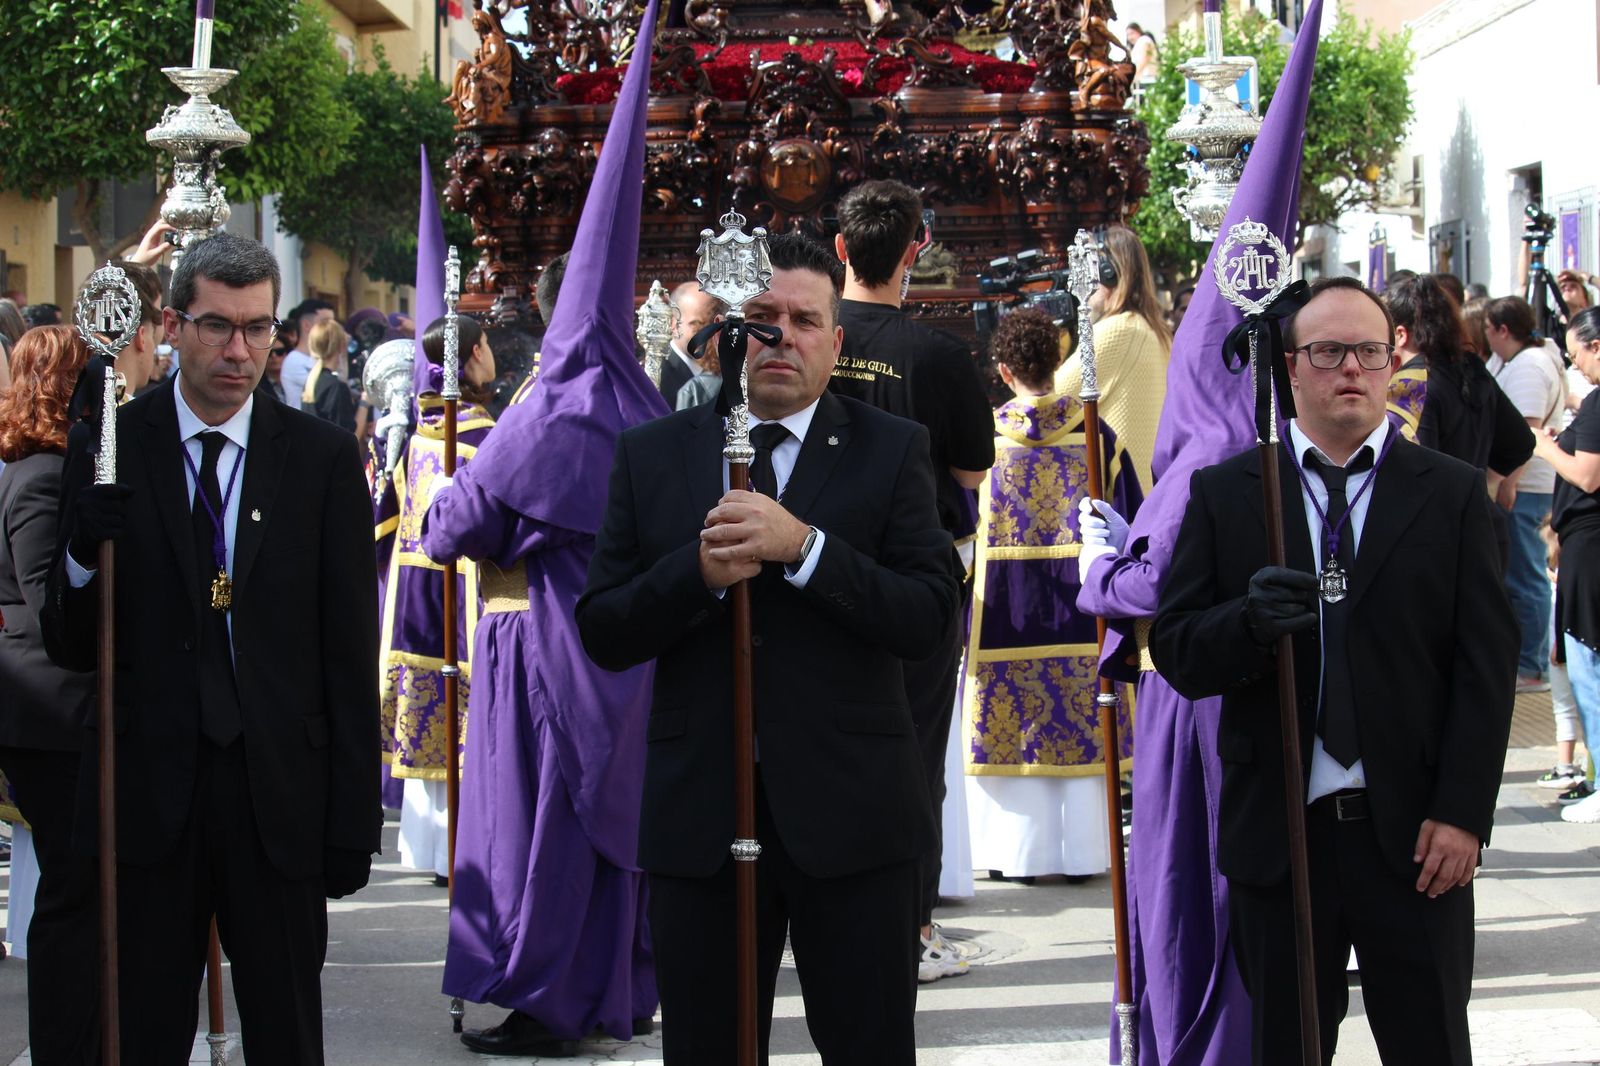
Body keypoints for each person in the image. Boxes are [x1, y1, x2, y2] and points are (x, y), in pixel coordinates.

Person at [577, 232, 960, 1065]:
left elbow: (929, 617)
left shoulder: (891, 450)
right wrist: (698, 575)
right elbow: (604, 628)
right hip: (702, 817)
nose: (780, 335)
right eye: (760, 318)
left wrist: (806, 549)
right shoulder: (655, 454)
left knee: (869, 1047)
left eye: (803, 319)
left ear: (835, 339)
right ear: (727, 332)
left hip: (854, 817)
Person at [1151, 276, 1517, 1066]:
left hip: (1418, 841)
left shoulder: (1450, 494)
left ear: (1393, 362)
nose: (1350, 368)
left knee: (1430, 1046)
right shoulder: (1232, 494)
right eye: (1326, 352)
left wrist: (1463, 813)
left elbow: (1485, 668)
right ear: (1288, 367)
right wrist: (1244, 623)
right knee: (1288, 1047)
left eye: (1368, 351)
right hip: (1283, 839)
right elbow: (1175, 650)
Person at [43, 232, 381, 1063]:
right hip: (151, 795)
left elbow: (347, 647)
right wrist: (84, 554)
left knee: (288, 1030)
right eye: (217, 326)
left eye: (259, 329)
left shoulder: (322, 461)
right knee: (143, 1026)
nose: (240, 350)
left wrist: (353, 814)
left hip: (277, 794)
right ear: (172, 324)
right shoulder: (115, 442)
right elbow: (67, 641)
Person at [422, 31, 664, 1053]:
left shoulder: (549, 410)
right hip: (622, 654)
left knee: (538, 832)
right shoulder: (649, 404)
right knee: (603, 831)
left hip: (538, 650)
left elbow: (454, 529)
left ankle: (548, 1000)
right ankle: (608, 990)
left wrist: (439, 487)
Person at [827, 178, 994, 980]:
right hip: (917, 581)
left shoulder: (808, 340)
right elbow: (968, 472)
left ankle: (833, 923)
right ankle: (911, 928)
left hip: (817, 569)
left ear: (839, 251)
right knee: (916, 757)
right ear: (916, 249)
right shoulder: (940, 354)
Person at [961, 308, 1141, 885]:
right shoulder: (1096, 436)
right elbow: (1133, 521)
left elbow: (960, 528)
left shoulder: (983, 442)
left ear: (1004, 369)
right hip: (1083, 613)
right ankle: (1087, 856)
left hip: (1002, 619)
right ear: (1056, 364)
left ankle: (1018, 858)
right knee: (1081, 717)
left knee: (1015, 719)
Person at [0, 325, 99, 1064]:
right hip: (51, 715)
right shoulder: (35, 475)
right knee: (71, 894)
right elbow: (46, 609)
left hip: (54, 712)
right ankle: (64, 1045)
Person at [376, 314, 497, 880]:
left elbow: (382, 524)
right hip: (466, 594)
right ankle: (467, 847)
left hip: (413, 597)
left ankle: (428, 847)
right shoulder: (488, 438)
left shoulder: (415, 437)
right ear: (474, 353)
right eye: (489, 344)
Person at [1533, 307, 1600, 822]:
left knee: (1588, 669)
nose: (1576, 367)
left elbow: (1587, 475)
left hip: (1590, 552)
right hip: (1582, 546)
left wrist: (1544, 446)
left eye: (1577, 356)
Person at [1485, 295, 1567, 691]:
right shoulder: (1525, 361)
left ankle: (1533, 666)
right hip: (1528, 482)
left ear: (1503, 330)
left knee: (1527, 577)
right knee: (1524, 575)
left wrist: (1507, 482)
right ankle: (1531, 661)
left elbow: (1526, 432)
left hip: (1529, 486)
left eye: (1488, 329)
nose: (1485, 336)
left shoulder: (1531, 366)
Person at [1055, 224, 1171, 493]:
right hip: (1141, 490)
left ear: (1109, 272)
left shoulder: (1118, 329)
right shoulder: (1152, 328)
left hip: (1118, 496)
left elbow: (1053, 398)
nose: (1083, 276)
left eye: (1091, 265)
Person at [660, 281, 720, 403]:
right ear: (673, 323)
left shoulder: (730, 369)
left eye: (713, 324)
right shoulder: (657, 376)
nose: (707, 332)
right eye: (698, 324)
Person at [302, 318, 357, 432]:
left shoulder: (311, 382)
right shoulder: (336, 387)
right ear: (341, 346)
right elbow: (348, 436)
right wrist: (364, 405)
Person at [280, 298, 335, 411]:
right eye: (325, 322)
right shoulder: (294, 361)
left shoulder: (321, 359)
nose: (333, 328)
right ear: (306, 325)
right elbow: (328, 389)